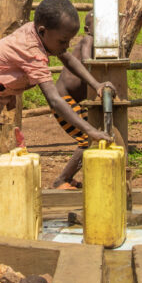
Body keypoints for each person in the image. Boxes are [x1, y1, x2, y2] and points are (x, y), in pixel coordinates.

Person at [0, 0, 113, 201]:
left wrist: (97, 85)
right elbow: (54, 100)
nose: (65, 46)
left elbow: (68, 59)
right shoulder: (32, 51)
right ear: (43, 32)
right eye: (63, 41)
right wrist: (90, 130)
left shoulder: (37, 33)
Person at [51, 12, 95, 190]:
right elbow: (86, 60)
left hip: (71, 100)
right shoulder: (88, 40)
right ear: (87, 29)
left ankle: (67, 178)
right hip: (63, 99)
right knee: (87, 139)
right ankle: (62, 180)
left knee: (90, 139)